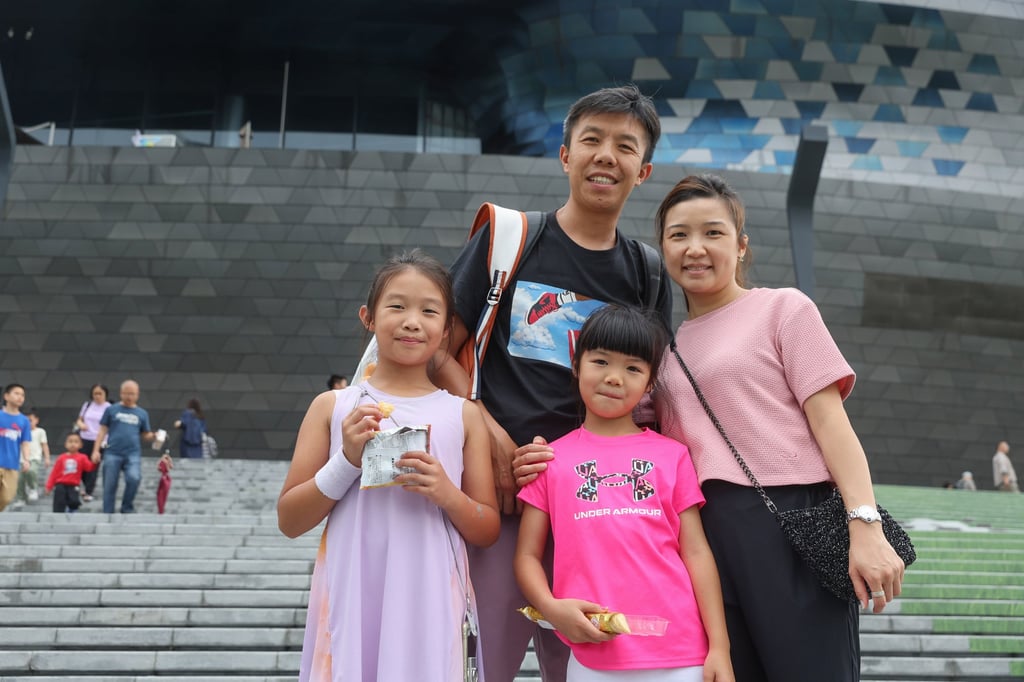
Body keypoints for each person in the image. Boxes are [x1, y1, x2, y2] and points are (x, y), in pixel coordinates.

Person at [446, 84, 672, 682]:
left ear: (644, 171)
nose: (606, 156)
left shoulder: (647, 273)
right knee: (482, 666)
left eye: (625, 146)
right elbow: (439, 354)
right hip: (501, 506)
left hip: (597, 516)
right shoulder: (510, 239)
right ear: (566, 155)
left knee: (584, 670)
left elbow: (654, 394)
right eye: (591, 140)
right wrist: (490, 435)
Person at [648, 174, 903, 680]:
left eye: (713, 233)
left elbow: (831, 423)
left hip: (792, 521)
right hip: (705, 535)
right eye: (679, 235)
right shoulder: (663, 352)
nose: (695, 248)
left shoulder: (783, 308)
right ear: (663, 249)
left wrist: (865, 524)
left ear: (741, 246)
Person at [278, 249, 500, 681]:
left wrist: (447, 494)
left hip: (432, 594)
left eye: (429, 311)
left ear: (447, 328)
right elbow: (289, 520)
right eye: (397, 306)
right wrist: (346, 460)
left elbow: (487, 528)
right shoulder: (333, 407)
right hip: (352, 588)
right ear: (368, 317)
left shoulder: (463, 415)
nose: (412, 321)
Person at [514, 305, 733, 682]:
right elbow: (527, 556)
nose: (614, 378)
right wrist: (550, 607)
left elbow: (696, 553)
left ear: (650, 383)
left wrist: (720, 648)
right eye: (600, 361)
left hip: (683, 656)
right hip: (592, 655)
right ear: (576, 365)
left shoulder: (673, 456)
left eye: (633, 368)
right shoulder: (550, 460)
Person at [91, 380, 156, 514]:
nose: (129, 397)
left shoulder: (142, 413)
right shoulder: (111, 410)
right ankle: (108, 513)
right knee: (109, 485)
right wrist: (96, 450)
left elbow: (145, 434)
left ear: (137, 395)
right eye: (126, 393)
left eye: (132, 394)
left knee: (134, 478)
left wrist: (155, 436)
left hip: (132, 453)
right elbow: (102, 430)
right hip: (112, 452)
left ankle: (127, 507)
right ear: (121, 393)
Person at [74, 384, 111, 502]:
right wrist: (81, 424)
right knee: (82, 464)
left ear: (105, 395)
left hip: (100, 440)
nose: (97, 396)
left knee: (93, 466)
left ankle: (89, 491)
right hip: (84, 438)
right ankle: (85, 485)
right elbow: (80, 419)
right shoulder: (87, 405)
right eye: (95, 393)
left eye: (100, 394)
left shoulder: (109, 408)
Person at [44, 432, 95, 513]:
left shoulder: (82, 457)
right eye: (70, 441)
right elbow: (54, 473)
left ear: (81, 445)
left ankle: (71, 512)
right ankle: (58, 515)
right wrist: (49, 486)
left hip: (73, 484)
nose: (73, 444)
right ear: (65, 444)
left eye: (76, 442)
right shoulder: (61, 458)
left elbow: (88, 468)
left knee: (74, 501)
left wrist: (94, 462)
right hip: (61, 484)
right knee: (59, 501)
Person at [0, 384, 32, 512]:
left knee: (7, 498)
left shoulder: (24, 421)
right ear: (6, 396)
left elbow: (25, 442)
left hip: (12, 464)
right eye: (16, 393)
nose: (20, 397)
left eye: (22, 395)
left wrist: (26, 459)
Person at [15, 409, 50, 505]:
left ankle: (33, 488)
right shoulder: (19, 432)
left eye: (30, 420)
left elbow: (44, 445)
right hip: (21, 459)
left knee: (31, 471)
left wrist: (47, 458)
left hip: (35, 458)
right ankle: (21, 498)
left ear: (36, 420)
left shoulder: (40, 431)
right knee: (20, 479)